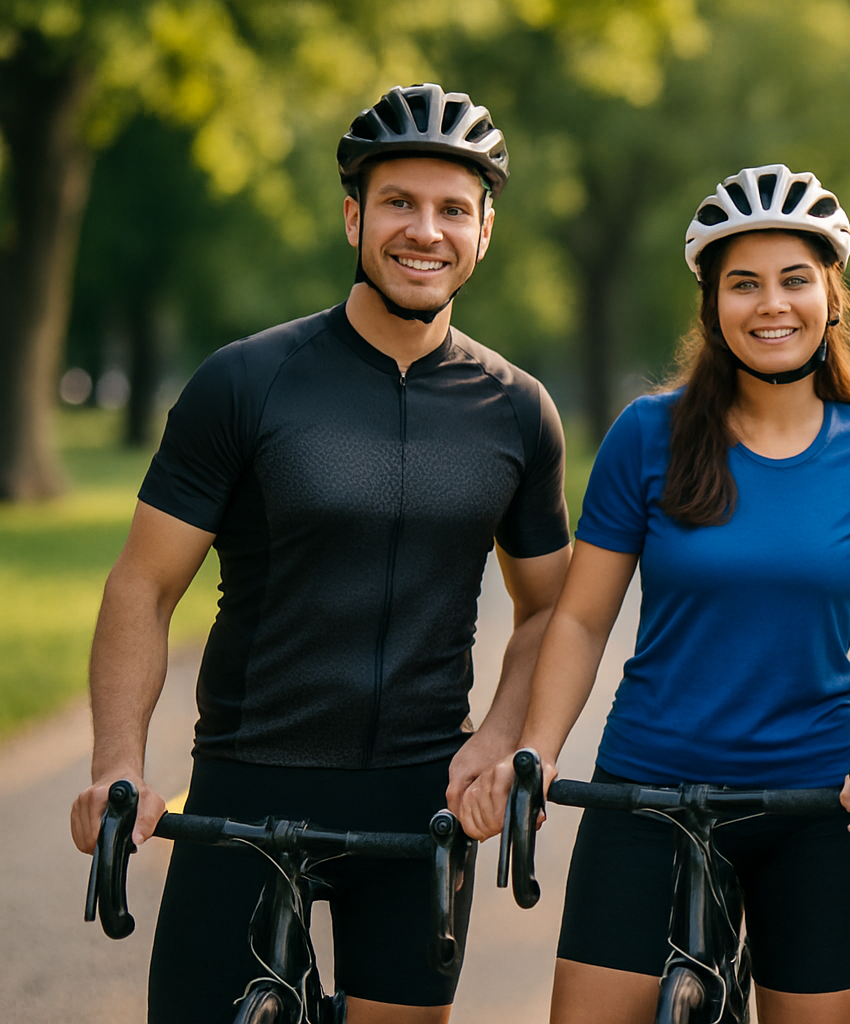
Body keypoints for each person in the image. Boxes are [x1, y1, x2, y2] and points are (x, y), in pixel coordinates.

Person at [67, 83, 572, 1024]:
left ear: (485, 231)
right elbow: (144, 583)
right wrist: (116, 761)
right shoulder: (247, 381)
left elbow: (551, 607)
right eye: (399, 204)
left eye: (452, 210)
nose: (425, 231)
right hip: (249, 783)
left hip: (418, 798)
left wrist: (502, 736)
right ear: (353, 217)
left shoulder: (518, 410)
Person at [461, 164, 850, 1024]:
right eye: (744, 284)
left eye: (796, 280)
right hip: (646, 791)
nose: (772, 305)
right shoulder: (647, 435)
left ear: (831, 297)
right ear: (713, 306)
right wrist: (536, 747)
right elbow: (579, 616)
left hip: (815, 805)